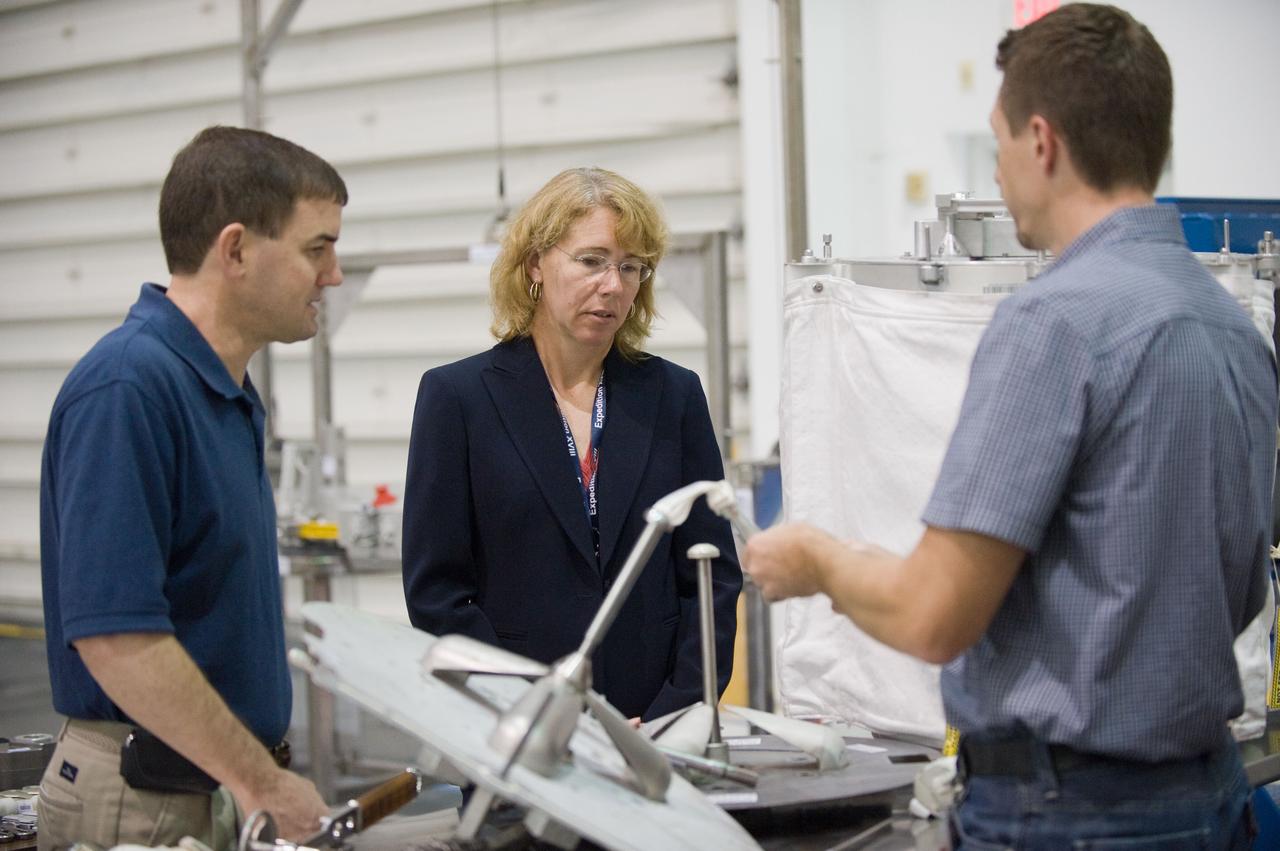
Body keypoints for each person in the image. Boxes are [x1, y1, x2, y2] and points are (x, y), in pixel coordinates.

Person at [743, 5, 1273, 848]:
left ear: (1042, 141)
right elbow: (1235, 591)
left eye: (995, 144)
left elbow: (934, 618)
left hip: (1067, 816)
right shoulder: (1235, 330)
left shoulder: (1051, 324)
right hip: (1209, 797)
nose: (994, 171)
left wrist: (817, 560)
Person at [38, 126, 347, 850]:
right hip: (145, 803)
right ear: (235, 249)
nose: (333, 275)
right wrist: (262, 782)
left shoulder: (227, 393)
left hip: (210, 788)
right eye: (316, 248)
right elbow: (118, 638)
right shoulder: (128, 388)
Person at [402, 167, 740, 721]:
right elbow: (438, 596)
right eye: (591, 260)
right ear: (536, 263)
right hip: (515, 733)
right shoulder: (457, 398)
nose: (613, 285)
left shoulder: (672, 395)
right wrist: (532, 710)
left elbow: (711, 577)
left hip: (653, 732)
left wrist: (674, 715)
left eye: (630, 267)